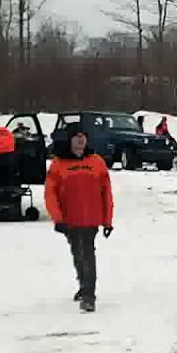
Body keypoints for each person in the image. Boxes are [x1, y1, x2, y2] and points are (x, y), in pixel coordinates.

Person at [45, 124, 114, 313]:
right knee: (77, 253)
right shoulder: (58, 165)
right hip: (69, 220)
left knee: (88, 255)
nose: (80, 140)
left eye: (83, 136)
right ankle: (83, 285)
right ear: (69, 140)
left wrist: (107, 221)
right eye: (76, 137)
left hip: (91, 219)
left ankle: (89, 295)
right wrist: (57, 218)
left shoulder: (96, 162)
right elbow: (50, 194)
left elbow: (106, 193)